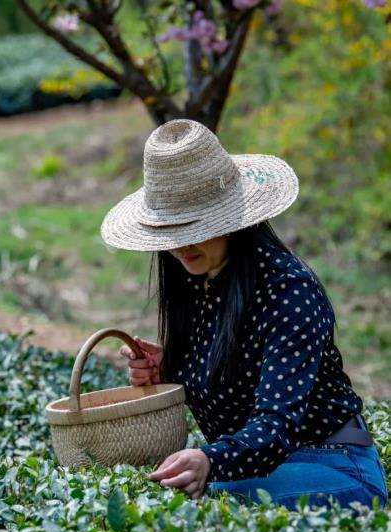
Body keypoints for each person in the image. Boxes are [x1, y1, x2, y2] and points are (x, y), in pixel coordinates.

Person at [100, 118, 388, 512]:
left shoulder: (289, 290)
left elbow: (277, 424)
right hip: (257, 469)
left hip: (336, 467)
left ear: (231, 221)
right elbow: (236, 371)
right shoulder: (200, 281)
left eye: (192, 228)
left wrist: (211, 461)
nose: (180, 247)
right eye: (170, 233)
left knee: (191, 504)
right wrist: (171, 367)